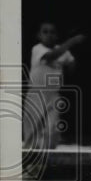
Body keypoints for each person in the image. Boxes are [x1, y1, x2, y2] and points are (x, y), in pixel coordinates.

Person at [24, 22, 84, 150]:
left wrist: (71, 62)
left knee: (53, 129)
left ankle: (50, 158)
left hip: (53, 95)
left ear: (57, 36)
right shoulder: (37, 48)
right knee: (32, 133)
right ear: (39, 35)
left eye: (52, 32)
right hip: (36, 94)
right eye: (45, 32)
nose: (49, 35)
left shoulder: (63, 51)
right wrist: (72, 41)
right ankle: (29, 160)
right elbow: (51, 56)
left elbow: (71, 68)